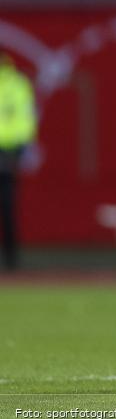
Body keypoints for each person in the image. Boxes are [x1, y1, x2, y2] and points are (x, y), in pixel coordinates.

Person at [0, 53, 37, 271]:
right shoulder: (19, 84)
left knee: (7, 209)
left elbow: (26, 118)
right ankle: (12, 262)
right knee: (8, 209)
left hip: (8, 153)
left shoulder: (18, 85)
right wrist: (21, 147)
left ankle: (12, 261)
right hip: (10, 153)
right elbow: (27, 119)